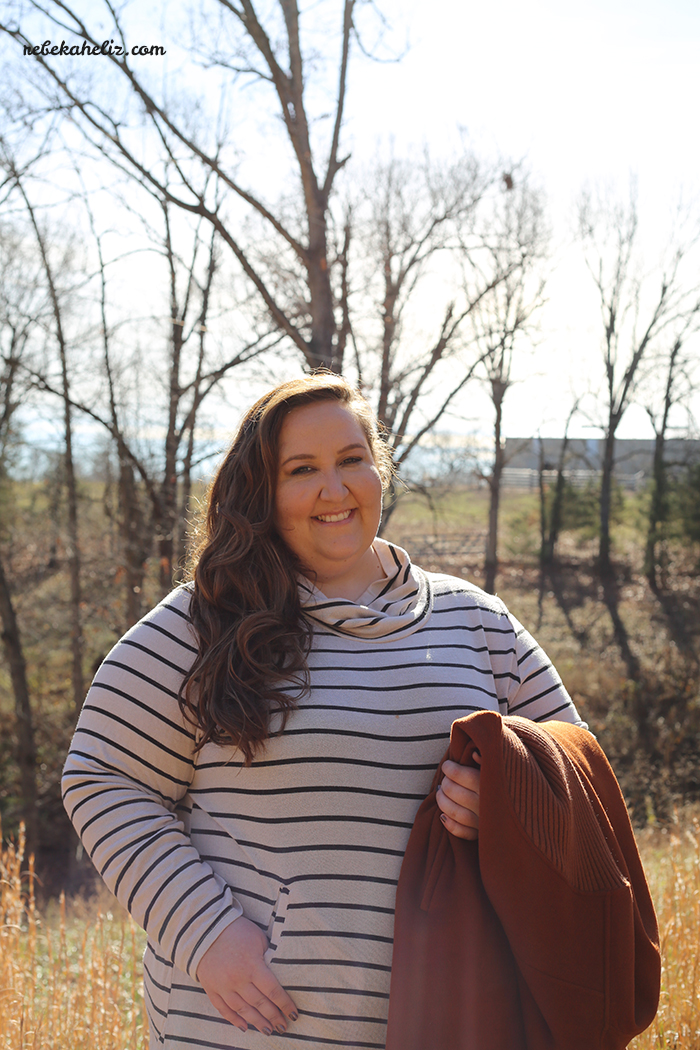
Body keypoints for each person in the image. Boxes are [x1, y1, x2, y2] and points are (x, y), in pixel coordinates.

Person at [62, 373, 587, 1050]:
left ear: (380, 471)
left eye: (351, 461)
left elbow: (579, 774)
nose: (333, 490)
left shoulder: (477, 624)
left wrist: (509, 805)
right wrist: (206, 934)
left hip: (452, 1023)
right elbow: (102, 779)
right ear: (262, 494)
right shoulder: (203, 623)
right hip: (247, 1031)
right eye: (302, 469)